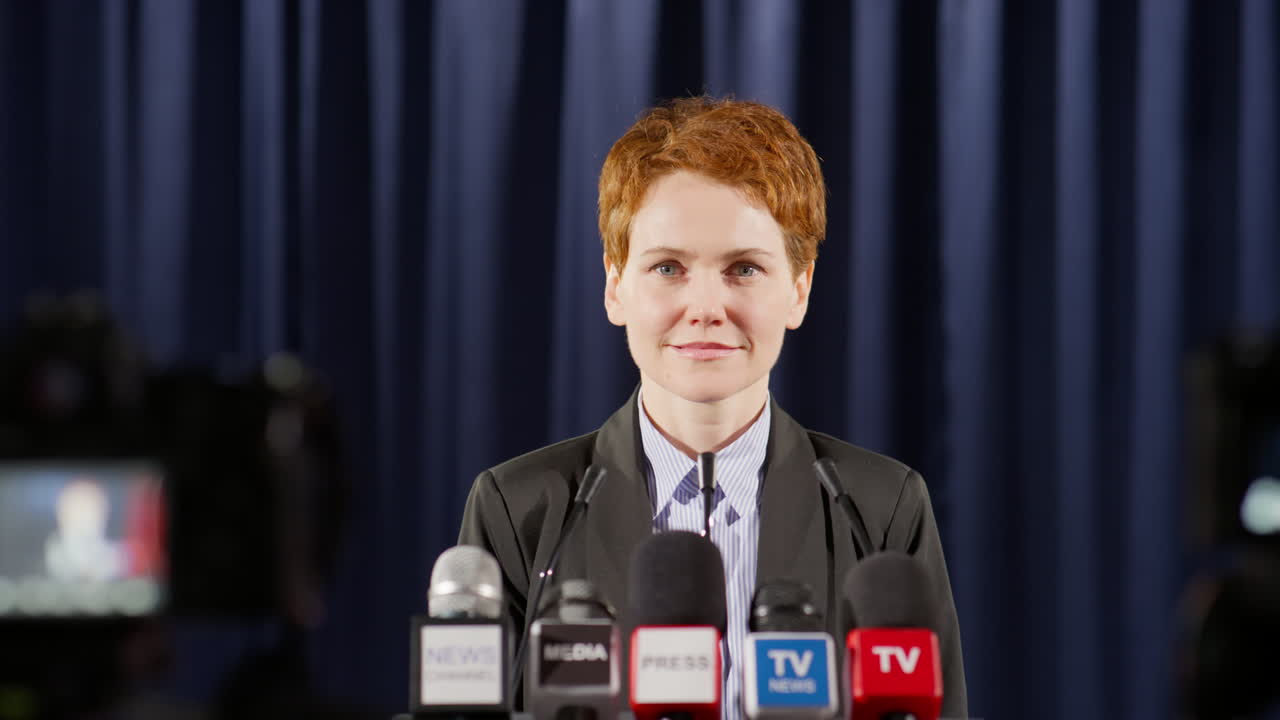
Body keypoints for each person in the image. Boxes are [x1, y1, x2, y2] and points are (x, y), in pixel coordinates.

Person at [458, 96, 967, 718]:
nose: (705, 307)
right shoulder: (519, 508)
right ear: (615, 285)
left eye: (744, 269)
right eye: (668, 267)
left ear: (799, 289)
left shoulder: (883, 509)